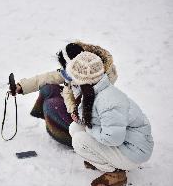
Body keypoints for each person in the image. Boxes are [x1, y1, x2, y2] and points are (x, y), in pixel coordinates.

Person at [65, 51, 154, 186]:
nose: (72, 81)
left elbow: (113, 138)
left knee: (79, 140)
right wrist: (81, 118)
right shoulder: (92, 89)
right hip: (125, 142)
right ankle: (104, 158)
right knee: (75, 127)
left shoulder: (109, 101)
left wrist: (90, 130)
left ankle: (116, 173)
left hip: (135, 151)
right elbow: (95, 118)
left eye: (74, 78)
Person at [13, 41, 118, 147]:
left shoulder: (95, 82)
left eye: (66, 72)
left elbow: (88, 113)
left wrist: (73, 111)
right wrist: (22, 86)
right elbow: (51, 77)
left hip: (86, 123)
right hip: (75, 109)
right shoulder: (79, 68)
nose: (64, 74)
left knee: (51, 105)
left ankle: (73, 140)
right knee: (47, 89)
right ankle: (56, 124)